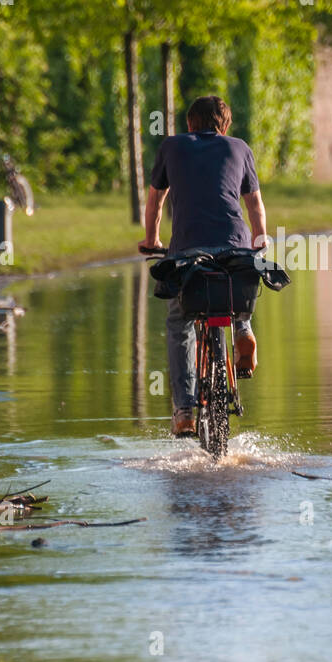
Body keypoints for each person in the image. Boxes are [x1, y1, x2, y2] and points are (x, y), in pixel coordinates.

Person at [138, 96, 268, 437]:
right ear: (224, 127)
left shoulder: (172, 146)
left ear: (190, 125)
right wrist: (260, 238)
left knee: (179, 321)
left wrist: (152, 239)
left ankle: (184, 411)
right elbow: (254, 204)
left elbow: (155, 199)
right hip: (233, 246)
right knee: (239, 279)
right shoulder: (239, 147)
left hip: (188, 252)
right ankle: (243, 329)